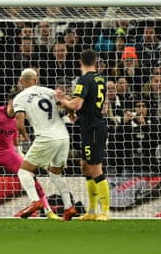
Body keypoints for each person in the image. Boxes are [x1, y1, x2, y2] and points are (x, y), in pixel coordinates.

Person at [12, 68, 77, 221]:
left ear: (21, 82)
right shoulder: (49, 92)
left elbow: (19, 122)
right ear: (36, 80)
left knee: (24, 172)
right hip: (63, 136)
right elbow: (67, 105)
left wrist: (23, 136)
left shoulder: (19, 98)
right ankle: (69, 207)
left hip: (46, 138)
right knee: (55, 174)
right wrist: (72, 114)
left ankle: (35, 201)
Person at [55, 49, 110, 221]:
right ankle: (92, 211)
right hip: (90, 126)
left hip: (93, 128)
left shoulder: (83, 80)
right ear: (95, 62)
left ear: (80, 62)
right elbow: (94, 105)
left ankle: (105, 212)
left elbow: (77, 104)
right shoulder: (101, 79)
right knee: (85, 166)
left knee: (95, 168)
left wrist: (62, 99)